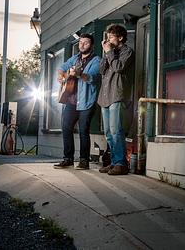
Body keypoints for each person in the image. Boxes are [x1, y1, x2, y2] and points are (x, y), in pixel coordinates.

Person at [54, 33, 100, 170]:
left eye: (85, 43)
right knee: (66, 128)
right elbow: (62, 69)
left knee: (83, 131)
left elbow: (92, 77)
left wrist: (79, 74)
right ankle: (67, 159)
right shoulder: (74, 58)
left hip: (86, 101)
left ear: (91, 45)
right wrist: (62, 77)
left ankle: (84, 161)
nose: (82, 45)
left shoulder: (96, 60)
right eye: (80, 42)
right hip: (71, 101)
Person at [97, 24, 134, 175]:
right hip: (104, 96)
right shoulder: (109, 52)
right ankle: (113, 162)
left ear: (120, 37)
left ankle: (121, 163)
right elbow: (101, 70)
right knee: (108, 133)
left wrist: (109, 52)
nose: (108, 39)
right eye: (107, 37)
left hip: (117, 95)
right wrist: (106, 53)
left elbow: (119, 67)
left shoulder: (127, 51)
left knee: (116, 131)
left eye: (111, 36)